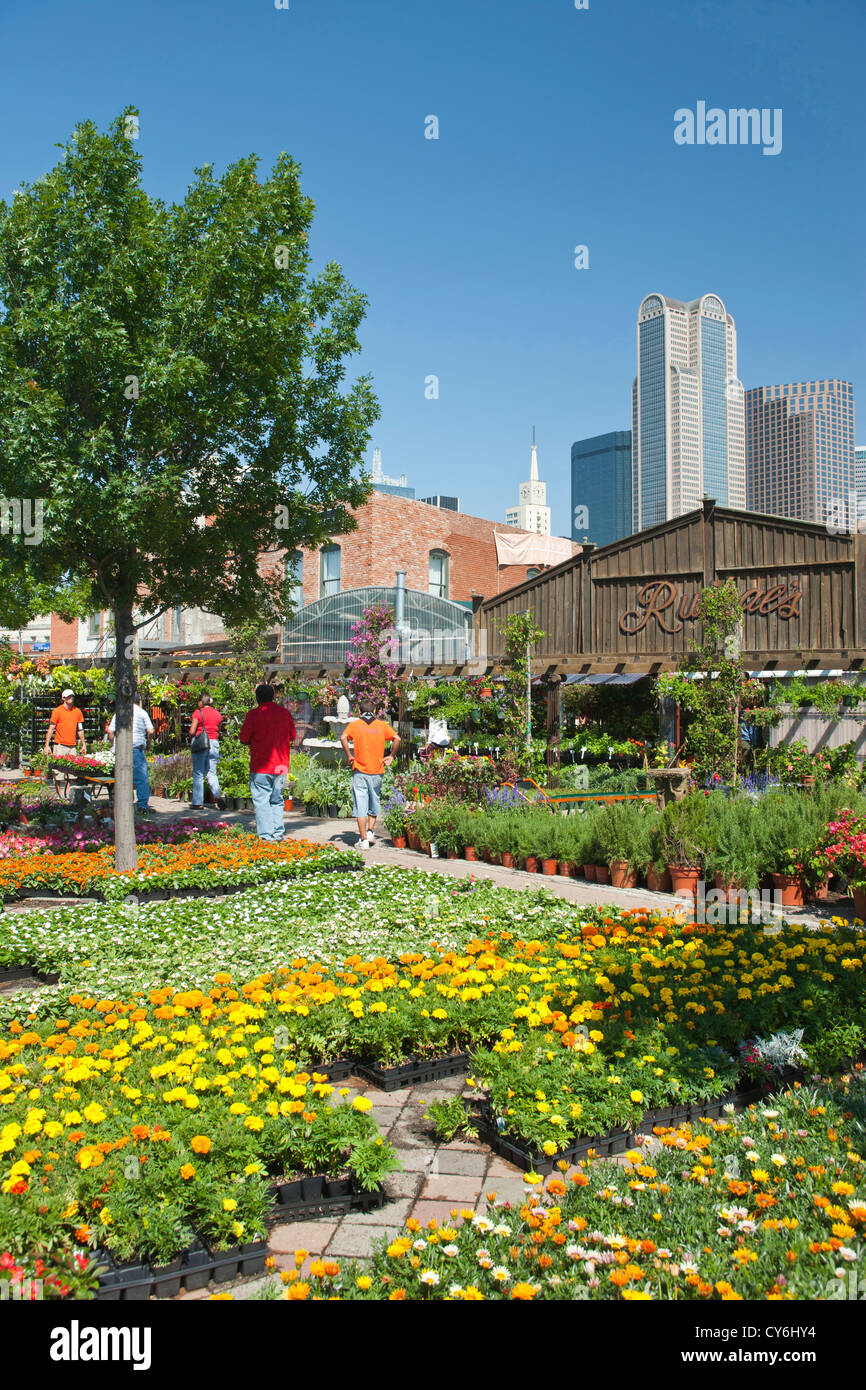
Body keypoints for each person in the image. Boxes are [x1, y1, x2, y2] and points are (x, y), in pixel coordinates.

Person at [239, 684, 296, 841]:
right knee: (277, 800)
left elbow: (243, 738)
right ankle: (278, 833)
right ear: (274, 696)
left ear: (257, 698)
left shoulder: (253, 715)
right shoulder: (285, 714)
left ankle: (266, 836)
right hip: (281, 767)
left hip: (261, 767)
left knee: (262, 800)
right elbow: (292, 736)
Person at [340, 700, 401, 849]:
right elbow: (397, 738)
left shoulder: (355, 725)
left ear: (359, 711)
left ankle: (363, 841)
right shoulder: (381, 725)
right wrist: (391, 755)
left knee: (360, 805)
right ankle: (370, 832)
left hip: (360, 771)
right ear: (374, 711)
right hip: (377, 771)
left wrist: (349, 755)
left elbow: (343, 737)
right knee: (374, 801)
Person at [108, 694, 155, 817]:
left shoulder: (120, 713)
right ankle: (142, 805)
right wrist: (148, 743)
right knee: (141, 778)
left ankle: (125, 802)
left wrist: (112, 744)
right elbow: (150, 731)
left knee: (123, 776)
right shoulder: (142, 712)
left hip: (121, 749)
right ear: (139, 701)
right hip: (136, 748)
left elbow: (110, 731)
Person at [189, 694, 227, 811]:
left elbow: (192, 731)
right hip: (214, 743)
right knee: (212, 773)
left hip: (202, 744)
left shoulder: (198, 713)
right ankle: (217, 796)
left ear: (202, 702)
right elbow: (219, 729)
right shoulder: (217, 714)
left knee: (199, 773)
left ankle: (197, 802)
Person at [45, 688, 86, 759]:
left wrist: (83, 744)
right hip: (60, 746)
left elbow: (80, 729)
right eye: (68, 696)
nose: (71, 698)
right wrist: (46, 745)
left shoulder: (77, 711)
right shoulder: (57, 711)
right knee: (58, 769)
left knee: (73, 769)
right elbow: (51, 729)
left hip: (72, 747)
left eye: (72, 696)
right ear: (63, 698)